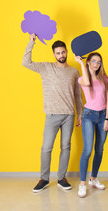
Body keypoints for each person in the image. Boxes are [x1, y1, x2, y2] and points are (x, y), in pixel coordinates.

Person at [22, 34, 83, 193]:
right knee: (47, 148)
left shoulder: (74, 71)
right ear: (54, 54)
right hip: (52, 114)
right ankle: (44, 178)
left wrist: (80, 113)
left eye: (63, 52)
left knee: (66, 147)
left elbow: (78, 94)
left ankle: (62, 178)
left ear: (67, 52)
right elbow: (25, 63)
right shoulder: (46, 67)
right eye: (58, 53)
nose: (61, 55)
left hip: (69, 115)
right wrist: (31, 43)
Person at [74, 52, 108, 198]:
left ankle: (93, 179)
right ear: (89, 62)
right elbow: (88, 83)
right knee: (87, 150)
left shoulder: (103, 78)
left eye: (99, 62)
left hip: (103, 116)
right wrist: (81, 63)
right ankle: (82, 184)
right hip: (89, 115)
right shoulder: (82, 79)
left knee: (99, 150)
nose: (96, 64)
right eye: (93, 61)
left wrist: (107, 118)